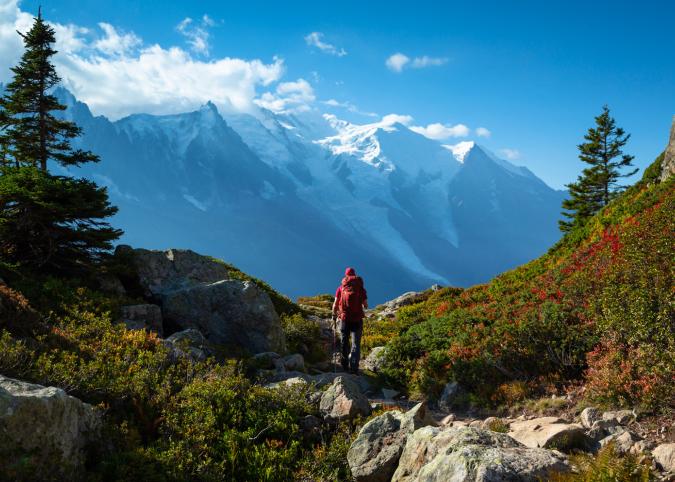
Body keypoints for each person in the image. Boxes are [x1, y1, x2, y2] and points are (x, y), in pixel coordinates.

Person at [332, 267, 368, 374]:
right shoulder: (360, 288)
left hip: (344, 319)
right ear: (355, 275)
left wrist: (334, 314)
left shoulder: (341, 288)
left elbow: (335, 304)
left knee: (344, 341)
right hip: (357, 319)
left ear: (346, 276)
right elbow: (365, 305)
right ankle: (354, 367)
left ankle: (344, 365)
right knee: (356, 343)